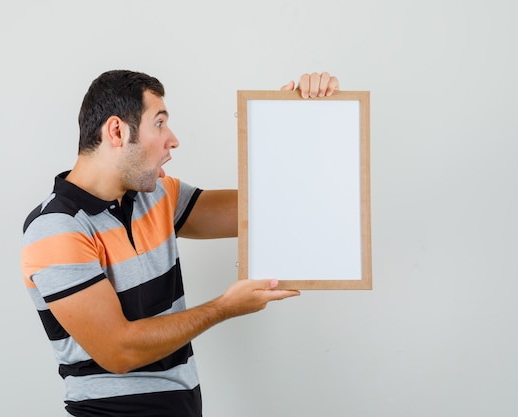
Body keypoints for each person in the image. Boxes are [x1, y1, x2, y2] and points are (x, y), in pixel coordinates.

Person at [21, 70, 339, 416]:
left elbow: (270, 212)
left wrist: (292, 121)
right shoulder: (56, 229)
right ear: (117, 131)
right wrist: (223, 307)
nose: (172, 139)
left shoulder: (155, 197)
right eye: (159, 123)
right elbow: (119, 350)